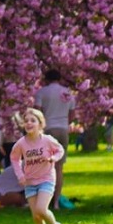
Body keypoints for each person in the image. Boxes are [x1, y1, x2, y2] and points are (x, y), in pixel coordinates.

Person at [10, 108, 67, 224]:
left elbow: (60, 150)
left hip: (46, 179)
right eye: (26, 121)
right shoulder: (21, 143)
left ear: (40, 124)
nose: (29, 123)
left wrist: (54, 157)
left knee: (41, 209)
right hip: (30, 182)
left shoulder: (47, 140)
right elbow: (14, 158)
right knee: (36, 216)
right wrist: (20, 175)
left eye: (33, 120)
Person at [34, 69, 76, 210]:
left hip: (47, 130)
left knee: (44, 166)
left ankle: (44, 200)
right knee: (59, 167)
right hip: (63, 129)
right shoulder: (68, 93)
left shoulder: (42, 92)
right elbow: (72, 114)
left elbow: (37, 112)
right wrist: (64, 123)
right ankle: (56, 202)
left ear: (46, 79)